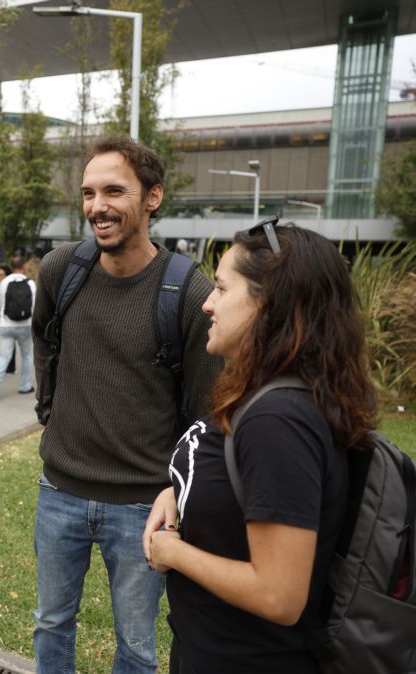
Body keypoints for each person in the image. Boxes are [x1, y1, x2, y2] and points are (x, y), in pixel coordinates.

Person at [143, 223, 377, 673]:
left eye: (222, 288)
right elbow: (248, 485)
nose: (208, 303)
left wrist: (172, 552)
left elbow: (279, 594)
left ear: (268, 305)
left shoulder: (278, 420)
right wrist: (178, 491)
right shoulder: (269, 395)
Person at [30, 136, 223, 673]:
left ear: (153, 197)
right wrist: (51, 413)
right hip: (60, 488)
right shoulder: (61, 270)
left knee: (137, 646)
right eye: (89, 193)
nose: (97, 206)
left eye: (114, 191)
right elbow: (45, 344)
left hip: (142, 503)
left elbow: (209, 411)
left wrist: (174, 487)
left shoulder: (187, 291)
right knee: (50, 623)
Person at [0, 256, 34, 401]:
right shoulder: (31, 284)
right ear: (24, 267)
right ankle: (25, 386)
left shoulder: (4, 282)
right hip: (25, 325)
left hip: (6, 326)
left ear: (11, 268)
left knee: (4, 355)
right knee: (27, 355)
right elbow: (35, 306)